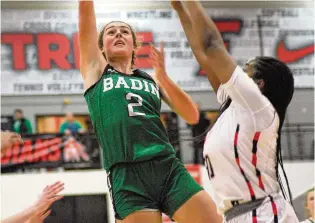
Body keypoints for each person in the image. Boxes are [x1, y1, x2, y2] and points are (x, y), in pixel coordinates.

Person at [78, 1, 221, 222]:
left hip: (167, 166)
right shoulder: (96, 71)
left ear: (134, 46)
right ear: (102, 47)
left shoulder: (151, 80)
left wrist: (163, 77)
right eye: (111, 32)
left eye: (124, 32)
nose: (118, 34)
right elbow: (85, 12)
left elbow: (192, 115)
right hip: (127, 174)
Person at [171, 0, 298, 222]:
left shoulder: (257, 106)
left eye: (246, 70)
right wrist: (180, 10)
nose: (236, 69)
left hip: (263, 214)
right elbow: (203, 55)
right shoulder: (234, 105)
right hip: (237, 215)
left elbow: (212, 46)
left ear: (259, 84)